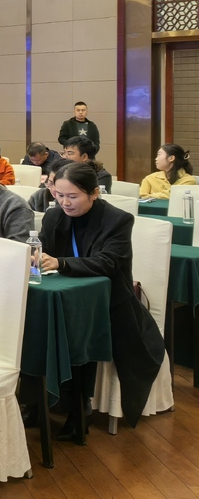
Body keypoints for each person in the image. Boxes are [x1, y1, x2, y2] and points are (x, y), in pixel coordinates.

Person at [37, 162, 164, 439]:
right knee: (35, 324)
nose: (64, 202)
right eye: (59, 195)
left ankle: (77, 411)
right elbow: (42, 252)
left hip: (111, 304)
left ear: (94, 193)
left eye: (73, 196)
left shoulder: (117, 220)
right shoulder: (53, 216)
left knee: (75, 332)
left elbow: (108, 263)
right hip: (66, 297)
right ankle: (36, 404)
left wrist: (61, 263)